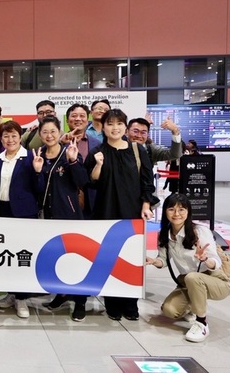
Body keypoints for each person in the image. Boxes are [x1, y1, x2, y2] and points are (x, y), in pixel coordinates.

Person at [84, 108, 158, 321]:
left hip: (132, 212)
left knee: (131, 256)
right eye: (110, 123)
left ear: (125, 127)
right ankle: (112, 303)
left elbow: (147, 181)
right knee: (109, 258)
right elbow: (91, 182)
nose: (114, 128)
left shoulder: (137, 150)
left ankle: (130, 303)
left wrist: (146, 205)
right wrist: (98, 165)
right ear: (103, 127)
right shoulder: (97, 151)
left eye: (119, 123)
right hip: (105, 212)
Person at [145, 193, 230, 342]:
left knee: (192, 278)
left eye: (181, 209)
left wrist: (205, 259)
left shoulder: (200, 231)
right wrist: (154, 261)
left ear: (188, 212)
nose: (176, 214)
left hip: (215, 280)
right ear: (165, 212)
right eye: (171, 209)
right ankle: (192, 306)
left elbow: (216, 262)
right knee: (169, 310)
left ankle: (202, 323)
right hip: (187, 282)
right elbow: (163, 261)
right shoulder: (164, 234)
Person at [32, 117, 89, 321]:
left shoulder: (69, 152)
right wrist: (37, 172)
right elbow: (38, 189)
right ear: (40, 135)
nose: (49, 135)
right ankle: (61, 294)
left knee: (75, 258)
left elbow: (82, 181)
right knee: (56, 257)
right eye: (45, 132)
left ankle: (80, 302)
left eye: (53, 131)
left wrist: (73, 161)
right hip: (48, 217)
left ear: (59, 132)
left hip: (69, 215)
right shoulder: (39, 155)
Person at [0, 120, 40, 318]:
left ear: (20, 137)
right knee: (6, 255)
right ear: (1, 138)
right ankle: (11, 293)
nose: (10, 140)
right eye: (6, 136)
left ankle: (22, 298)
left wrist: (38, 172)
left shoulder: (30, 157)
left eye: (14, 136)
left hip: (23, 213)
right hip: (0, 211)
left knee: (22, 256)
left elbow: (39, 188)